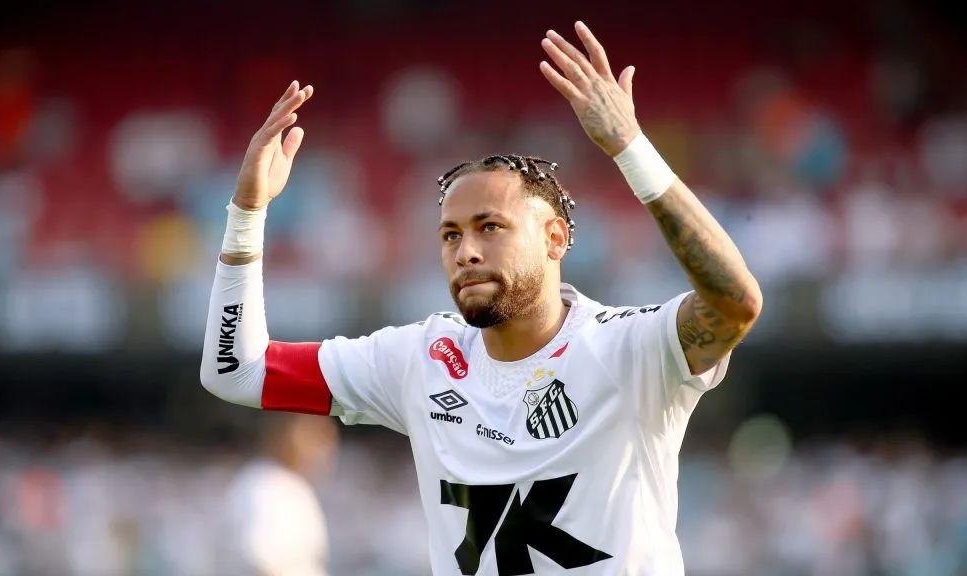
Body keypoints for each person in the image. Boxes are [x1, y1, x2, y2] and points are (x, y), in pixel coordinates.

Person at [200, 21, 762, 575]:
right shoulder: (421, 360)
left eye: (490, 227)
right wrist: (247, 214)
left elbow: (735, 301)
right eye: (450, 234)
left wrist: (631, 149)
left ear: (555, 239)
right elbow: (238, 371)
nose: (465, 251)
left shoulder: (629, 348)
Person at [219, 413, 338, 576]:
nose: (326, 450)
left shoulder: (289, 485)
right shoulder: (265, 486)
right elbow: (262, 564)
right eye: (318, 437)